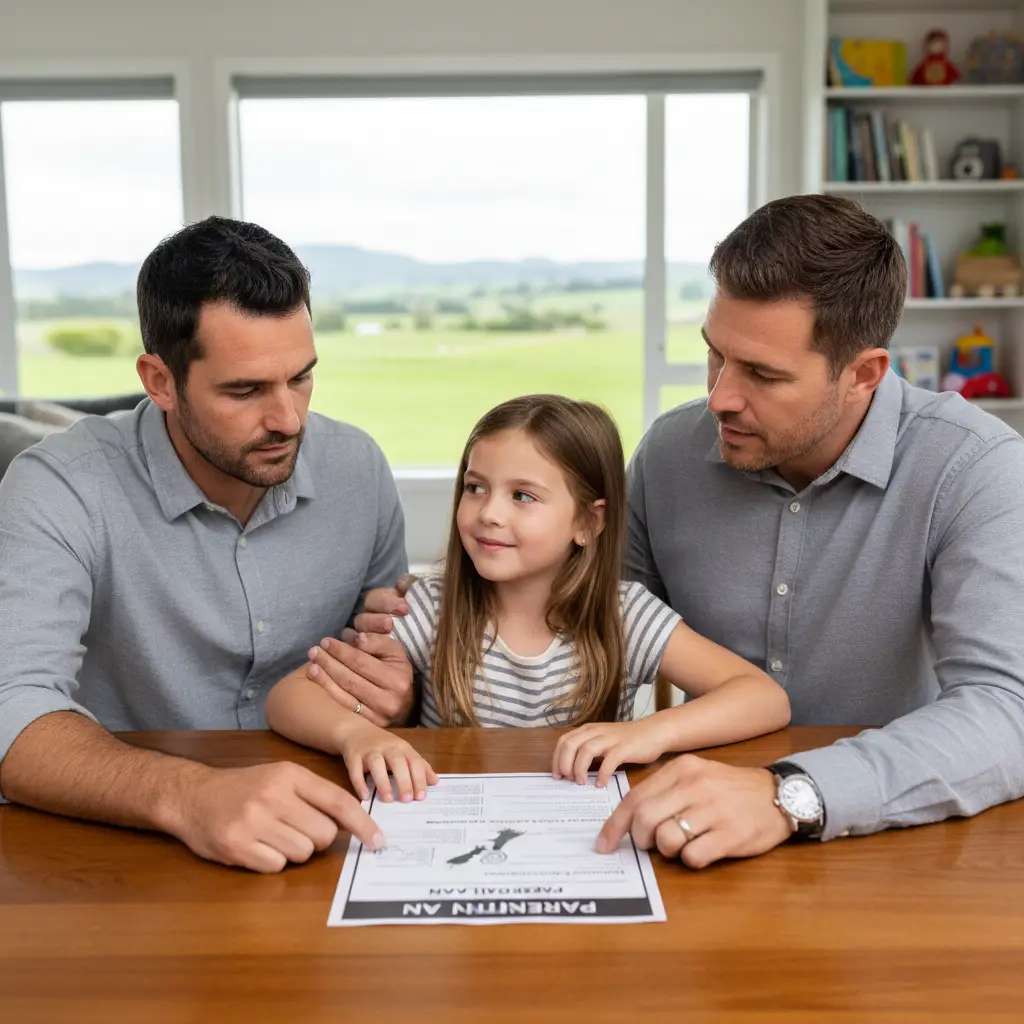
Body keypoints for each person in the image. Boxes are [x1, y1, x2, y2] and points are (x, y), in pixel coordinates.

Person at [328, 195, 1024, 869]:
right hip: (685, 830)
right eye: (715, 354)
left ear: (864, 374)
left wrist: (789, 793)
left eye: (761, 373)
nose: (719, 395)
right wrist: (417, 661)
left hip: (893, 838)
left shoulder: (974, 469)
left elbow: (1006, 713)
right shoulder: (670, 453)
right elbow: (586, 617)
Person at [0, 217, 415, 872]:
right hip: (125, 845)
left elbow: (389, 660)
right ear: (159, 380)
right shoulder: (60, 486)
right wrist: (189, 795)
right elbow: (11, 712)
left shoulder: (357, 469)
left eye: (301, 377)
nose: (288, 419)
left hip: (328, 835)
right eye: (245, 390)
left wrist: (395, 686)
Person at [268, 394, 790, 801]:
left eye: (523, 496)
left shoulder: (624, 613)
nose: (489, 513)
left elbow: (764, 697)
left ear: (588, 521)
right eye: (476, 488)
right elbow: (289, 697)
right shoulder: (431, 607)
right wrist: (355, 736)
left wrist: (650, 734)